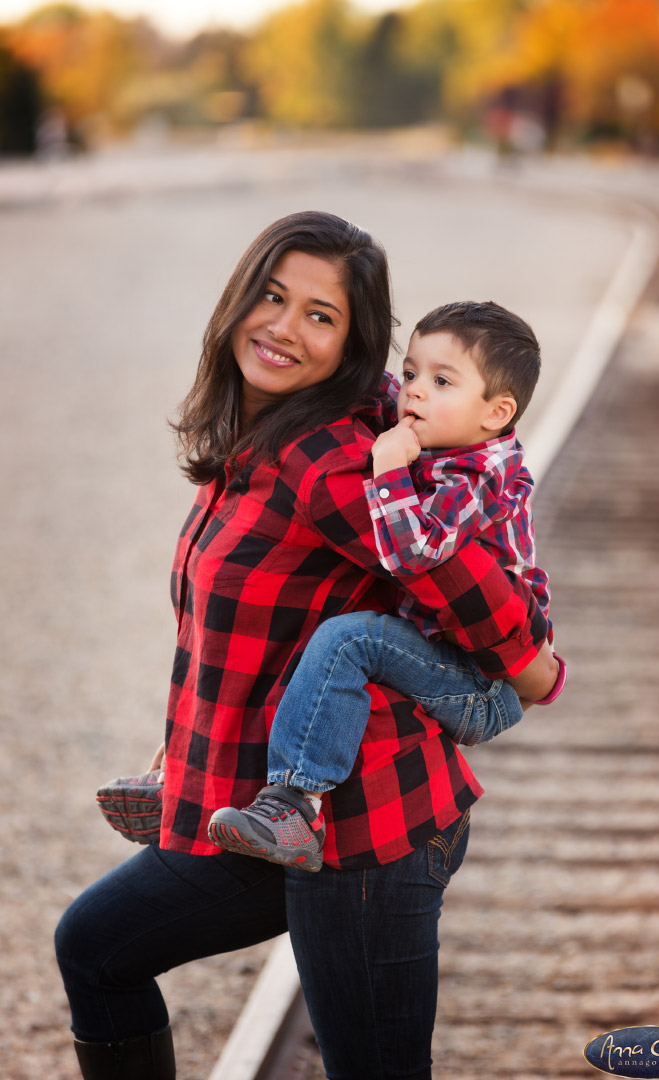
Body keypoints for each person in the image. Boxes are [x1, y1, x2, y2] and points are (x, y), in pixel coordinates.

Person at [55, 211, 557, 1080]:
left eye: (321, 316)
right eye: (273, 296)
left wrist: (529, 663)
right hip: (275, 813)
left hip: (370, 832)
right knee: (95, 949)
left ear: (350, 343)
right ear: (239, 298)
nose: (285, 328)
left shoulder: (327, 462)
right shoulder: (266, 435)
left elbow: (443, 557)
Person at [208, 299, 564, 873]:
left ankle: (295, 804)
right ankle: (192, 780)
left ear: (497, 412)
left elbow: (414, 553)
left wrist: (389, 467)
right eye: (411, 373)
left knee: (348, 640)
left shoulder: (481, 474)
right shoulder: (450, 443)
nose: (414, 392)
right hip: (449, 660)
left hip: (478, 683)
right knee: (315, 635)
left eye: (442, 381)